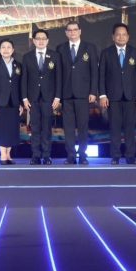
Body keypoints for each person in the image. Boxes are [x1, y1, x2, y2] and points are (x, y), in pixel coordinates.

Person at [99, 23, 136, 165]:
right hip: (113, 97)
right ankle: (115, 156)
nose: (121, 37)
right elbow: (101, 76)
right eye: (118, 34)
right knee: (115, 128)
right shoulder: (106, 53)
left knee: (130, 128)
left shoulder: (135, 52)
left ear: (128, 36)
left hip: (131, 96)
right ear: (113, 37)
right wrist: (102, 95)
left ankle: (130, 156)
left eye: (124, 34)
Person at [57, 20, 99, 165]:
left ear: (80, 31)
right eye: (69, 30)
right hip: (66, 93)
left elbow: (94, 71)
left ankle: (83, 155)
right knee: (68, 128)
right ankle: (70, 156)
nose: (72, 32)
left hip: (84, 94)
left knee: (83, 127)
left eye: (75, 29)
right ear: (66, 33)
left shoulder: (90, 47)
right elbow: (58, 73)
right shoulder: (60, 48)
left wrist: (93, 91)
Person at [21, 29, 62, 165]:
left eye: (43, 38)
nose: (41, 41)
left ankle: (46, 155)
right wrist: (24, 98)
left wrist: (57, 97)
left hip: (49, 98)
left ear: (47, 41)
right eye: (38, 38)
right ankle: (35, 156)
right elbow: (24, 79)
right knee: (35, 128)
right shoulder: (27, 57)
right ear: (33, 41)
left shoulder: (55, 56)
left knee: (46, 128)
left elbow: (59, 78)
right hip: (32, 99)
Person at [0, 39, 23, 165]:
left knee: (12, 129)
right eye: (3, 47)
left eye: (8, 47)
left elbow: (20, 85)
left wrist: (21, 103)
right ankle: (3, 154)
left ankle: (8, 154)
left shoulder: (18, 65)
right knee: (1, 129)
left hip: (14, 101)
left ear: (13, 50)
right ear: (0, 50)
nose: (6, 50)